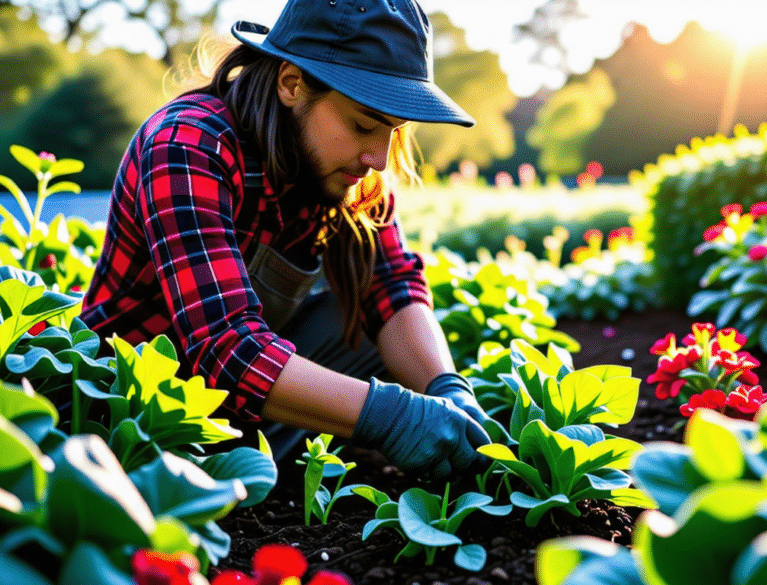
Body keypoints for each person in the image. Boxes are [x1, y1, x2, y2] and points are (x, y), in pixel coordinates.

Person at [80, 0, 492, 480]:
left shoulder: (348, 172)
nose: (378, 158)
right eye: (363, 124)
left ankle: (260, 462)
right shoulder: (189, 144)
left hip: (240, 416)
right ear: (292, 83)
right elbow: (225, 344)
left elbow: (392, 284)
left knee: (365, 321)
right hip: (134, 423)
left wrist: (447, 389)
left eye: (392, 131)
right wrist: (389, 416)